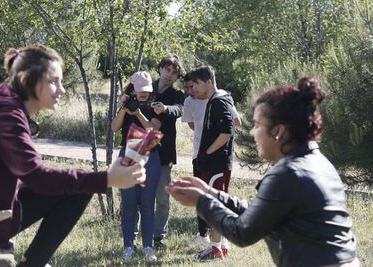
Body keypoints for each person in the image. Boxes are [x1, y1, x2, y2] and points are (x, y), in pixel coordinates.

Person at [0, 44, 146, 267]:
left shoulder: (2, 102)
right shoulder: (6, 115)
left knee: (79, 187)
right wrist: (107, 179)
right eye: (53, 81)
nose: (62, 89)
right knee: (84, 183)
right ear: (28, 81)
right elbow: (38, 177)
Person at [166, 76, 360, 266]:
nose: (252, 132)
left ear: (278, 131)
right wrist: (210, 193)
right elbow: (257, 211)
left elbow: (242, 232)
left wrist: (201, 201)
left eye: (257, 125)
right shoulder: (317, 162)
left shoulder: (289, 174)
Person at [181, 73, 241, 250]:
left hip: (216, 162)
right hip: (207, 160)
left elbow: (228, 130)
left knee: (216, 203)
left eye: (196, 84)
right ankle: (218, 243)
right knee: (210, 200)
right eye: (189, 87)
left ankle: (217, 247)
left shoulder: (220, 101)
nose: (193, 89)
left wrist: (207, 152)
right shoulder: (212, 100)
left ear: (208, 82)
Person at [111, 71, 161, 261]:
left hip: (150, 154)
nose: (143, 94)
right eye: (139, 90)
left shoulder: (155, 106)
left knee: (147, 203)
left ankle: (148, 247)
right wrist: (124, 108)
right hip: (128, 154)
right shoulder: (126, 103)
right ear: (132, 89)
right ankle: (128, 247)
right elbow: (114, 128)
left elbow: (152, 129)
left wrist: (138, 112)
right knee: (129, 203)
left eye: (146, 90)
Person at [151, 54, 186, 249]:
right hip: (139, 149)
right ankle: (136, 234)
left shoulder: (177, 95)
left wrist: (164, 109)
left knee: (162, 198)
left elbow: (178, 110)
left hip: (163, 152)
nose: (170, 75)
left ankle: (158, 237)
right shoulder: (146, 88)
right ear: (160, 69)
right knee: (138, 195)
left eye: (175, 73)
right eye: (167, 70)